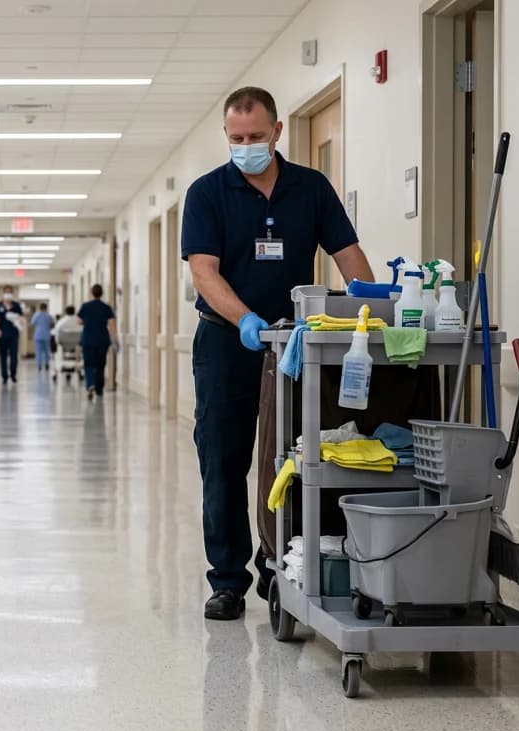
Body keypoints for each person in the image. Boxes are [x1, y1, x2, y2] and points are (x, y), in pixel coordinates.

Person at [182, 86, 374, 621]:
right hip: (227, 341)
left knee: (292, 457)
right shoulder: (206, 193)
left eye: (256, 137)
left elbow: (349, 258)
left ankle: (280, 564)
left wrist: (374, 314)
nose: (246, 146)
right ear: (226, 135)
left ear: (277, 133)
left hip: (294, 345)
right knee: (222, 459)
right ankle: (227, 580)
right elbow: (204, 270)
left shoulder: (310, 188)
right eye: (236, 138)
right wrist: (243, 317)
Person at [76, 285, 120, 399]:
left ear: (91, 293)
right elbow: (112, 325)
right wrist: (115, 340)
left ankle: (90, 384)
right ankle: (99, 388)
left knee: (89, 364)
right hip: (102, 340)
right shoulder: (106, 307)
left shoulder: (85, 306)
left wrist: (88, 321)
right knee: (101, 365)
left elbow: (79, 321)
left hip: (88, 340)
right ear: (102, 293)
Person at [0, 285, 24, 384]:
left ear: (12, 294)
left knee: (14, 355)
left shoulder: (16, 305)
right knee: (3, 356)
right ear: (3, 293)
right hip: (2, 334)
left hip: (14, 334)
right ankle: (4, 376)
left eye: (10, 292)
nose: (8, 294)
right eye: (6, 292)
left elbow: (21, 318)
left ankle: (13, 374)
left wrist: (19, 321)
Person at [31, 302, 55, 371]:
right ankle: (47, 364)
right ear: (46, 308)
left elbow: (32, 323)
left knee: (38, 351)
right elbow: (52, 325)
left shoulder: (36, 315)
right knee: (47, 351)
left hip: (38, 335)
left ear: (40, 308)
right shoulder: (49, 316)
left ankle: (39, 365)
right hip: (46, 336)